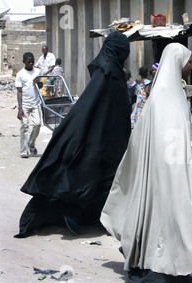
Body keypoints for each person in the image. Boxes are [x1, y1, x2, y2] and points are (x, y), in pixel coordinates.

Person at [100, 43, 192, 283]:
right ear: (177, 63)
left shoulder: (168, 91)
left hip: (169, 170)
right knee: (168, 217)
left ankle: (174, 266)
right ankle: (157, 266)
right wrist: (175, 175)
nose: (190, 66)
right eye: (187, 61)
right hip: (167, 174)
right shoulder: (166, 95)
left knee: (170, 219)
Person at [14, 31, 132, 238]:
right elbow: (87, 109)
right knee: (91, 178)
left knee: (107, 180)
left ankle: (94, 217)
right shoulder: (105, 75)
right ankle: (74, 213)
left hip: (112, 142)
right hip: (99, 141)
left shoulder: (114, 74)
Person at [15, 52, 43, 158]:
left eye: (32, 60)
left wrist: (39, 83)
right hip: (25, 104)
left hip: (36, 103)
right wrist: (20, 108)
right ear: (24, 62)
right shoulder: (20, 74)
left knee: (37, 124)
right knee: (25, 126)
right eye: (29, 61)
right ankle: (23, 150)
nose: (31, 63)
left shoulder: (38, 71)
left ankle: (31, 144)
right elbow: (19, 92)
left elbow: (40, 86)